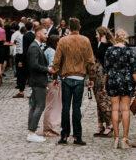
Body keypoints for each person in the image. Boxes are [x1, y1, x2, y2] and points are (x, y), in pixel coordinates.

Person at [49, 17, 95, 146]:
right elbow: (90, 61)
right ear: (79, 27)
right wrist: (92, 78)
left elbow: (56, 61)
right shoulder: (85, 41)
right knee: (76, 108)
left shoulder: (63, 41)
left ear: (69, 27)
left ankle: (64, 135)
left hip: (67, 77)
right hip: (80, 77)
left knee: (65, 108)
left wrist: (55, 77)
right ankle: (77, 136)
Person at [103, 29, 136, 149]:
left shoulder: (109, 50)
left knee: (114, 109)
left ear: (115, 37)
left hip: (112, 80)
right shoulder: (129, 51)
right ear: (125, 38)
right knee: (125, 109)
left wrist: (104, 84)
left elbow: (106, 69)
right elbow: (134, 70)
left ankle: (116, 138)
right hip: (126, 80)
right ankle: (124, 138)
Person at [25, 25, 50, 142]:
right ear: (38, 34)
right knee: (40, 106)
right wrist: (47, 69)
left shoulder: (35, 46)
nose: (47, 35)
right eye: (45, 33)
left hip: (36, 80)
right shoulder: (34, 47)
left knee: (34, 106)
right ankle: (32, 132)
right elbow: (33, 65)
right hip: (38, 81)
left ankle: (31, 130)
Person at [92, 27, 113, 137]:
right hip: (97, 76)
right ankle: (100, 125)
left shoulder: (107, 46)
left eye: (97, 34)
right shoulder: (100, 44)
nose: (96, 36)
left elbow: (103, 57)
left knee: (103, 101)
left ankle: (109, 125)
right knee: (98, 102)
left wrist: (103, 42)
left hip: (102, 77)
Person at [42, 34, 62, 137]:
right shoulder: (52, 52)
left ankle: (50, 126)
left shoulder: (49, 50)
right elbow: (52, 67)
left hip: (52, 80)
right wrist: (56, 79)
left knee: (52, 104)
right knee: (50, 105)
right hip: (52, 81)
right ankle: (47, 128)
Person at [12, 22, 28, 97]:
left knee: (19, 72)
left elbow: (14, 42)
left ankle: (20, 85)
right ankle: (22, 85)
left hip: (18, 55)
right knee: (22, 72)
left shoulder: (18, 36)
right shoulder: (24, 37)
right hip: (22, 55)